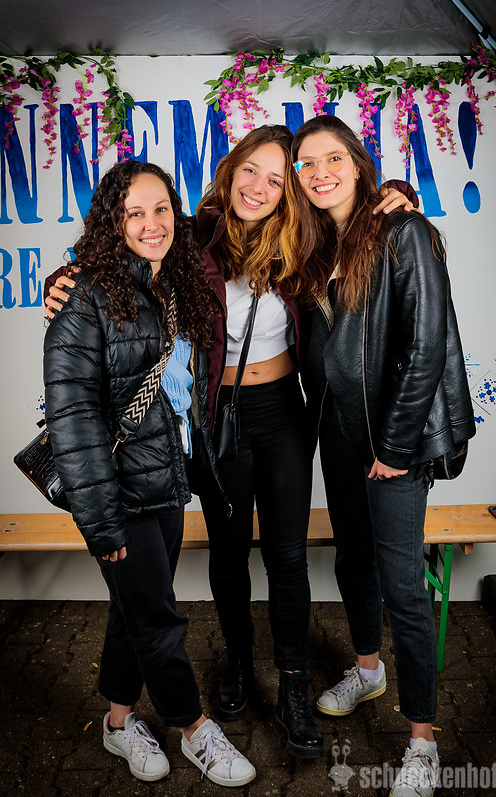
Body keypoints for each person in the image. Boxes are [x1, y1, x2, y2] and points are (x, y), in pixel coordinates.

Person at [44, 126, 416, 760]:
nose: (259, 187)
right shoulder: (194, 235)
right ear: (230, 169)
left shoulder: (307, 238)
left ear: (289, 189)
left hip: (284, 414)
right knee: (228, 551)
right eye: (251, 171)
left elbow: (356, 216)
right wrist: (64, 274)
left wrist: (399, 191)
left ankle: (293, 684)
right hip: (217, 417)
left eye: (276, 179)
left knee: (287, 556)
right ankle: (239, 663)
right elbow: (123, 246)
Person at [43, 160, 257, 787]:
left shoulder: (174, 284)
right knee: (158, 616)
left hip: (165, 481)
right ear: (112, 223)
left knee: (132, 608)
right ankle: (193, 727)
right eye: (133, 212)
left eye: (160, 208)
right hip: (117, 493)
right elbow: (74, 419)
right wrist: (101, 521)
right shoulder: (84, 298)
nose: (151, 223)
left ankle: (117, 723)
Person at [288, 115, 475, 797]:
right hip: (338, 431)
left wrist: (395, 448)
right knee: (352, 558)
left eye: (332, 159)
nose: (320, 174)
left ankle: (422, 740)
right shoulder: (314, 245)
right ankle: (368, 670)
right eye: (306, 164)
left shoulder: (403, 232)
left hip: (393, 438)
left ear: (358, 163)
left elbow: (427, 344)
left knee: (402, 583)